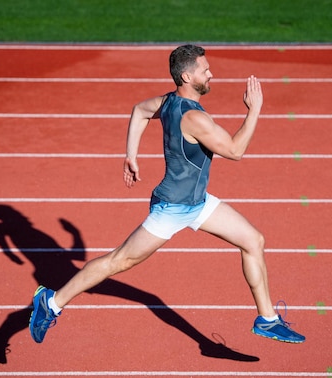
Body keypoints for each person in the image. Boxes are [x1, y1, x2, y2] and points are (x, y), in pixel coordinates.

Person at [29, 44, 305, 346]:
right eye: (205, 70)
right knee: (118, 261)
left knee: (253, 240)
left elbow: (139, 111)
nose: (211, 74)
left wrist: (130, 156)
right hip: (172, 208)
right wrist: (255, 110)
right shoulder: (194, 119)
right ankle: (51, 302)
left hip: (197, 203)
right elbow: (235, 151)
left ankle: (266, 320)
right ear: (187, 76)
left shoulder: (168, 102)